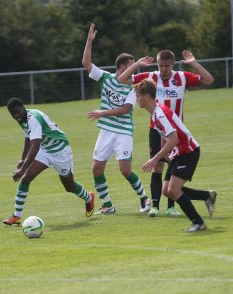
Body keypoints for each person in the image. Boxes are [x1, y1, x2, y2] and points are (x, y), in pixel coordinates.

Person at [118, 49, 215, 217]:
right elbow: (122, 79)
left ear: (173, 65)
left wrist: (193, 63)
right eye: (161, 65)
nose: (163, 69)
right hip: (156, 129)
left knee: (172, 169)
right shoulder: (151, 78)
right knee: (158, 166)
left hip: (174, 132)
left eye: (167, 66)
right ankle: (155, 206)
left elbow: (209, 79)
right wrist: (137, 64)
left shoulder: (182, 77)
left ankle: (172, 207)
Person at [82, 22, 154, 214]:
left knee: (125, 170)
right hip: (106, 131)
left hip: (123, 132)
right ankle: (107, 205)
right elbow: (86, 65)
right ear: (122, 67)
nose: (135, 72)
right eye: (132, 67)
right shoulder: (106, 77)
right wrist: (89, 41)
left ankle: (144, 200)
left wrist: (101, 113)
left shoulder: (134, 87)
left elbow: (125, 109)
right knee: (96, 169)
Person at [135, 78, 216, 232]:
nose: (136, 99)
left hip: (188, 151)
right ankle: (206, 196)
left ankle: (198, 222)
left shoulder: (160, 114)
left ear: (146, 96)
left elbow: (174, 138)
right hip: (178, 153)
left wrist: (155, 159)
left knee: (173, 191)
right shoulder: (154, 115)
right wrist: (163, 155)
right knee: (167, 191)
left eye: (138, 96)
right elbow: (165, 138)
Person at [2, 97, 94, 225]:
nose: (16, 116)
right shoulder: (21, 119)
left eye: (18, 112)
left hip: (60, 150)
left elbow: (35, 146)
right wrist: (22, 159)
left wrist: (22, 169)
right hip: (45, 150)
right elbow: (28, 138)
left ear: (23, 107)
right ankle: (17, 216)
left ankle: (89, 198)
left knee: (69, 186)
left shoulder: (33, 118)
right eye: (13, 115)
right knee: (26, 178)